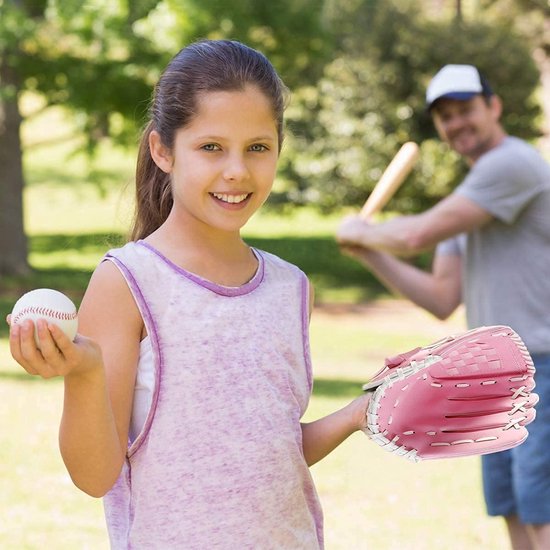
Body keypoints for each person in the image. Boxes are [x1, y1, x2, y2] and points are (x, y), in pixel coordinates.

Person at [8, 40, 371, 549]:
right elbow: (95, 475)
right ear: (163, 150)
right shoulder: (128, 282)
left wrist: (357, 414)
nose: (237, 172)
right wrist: (84, 373)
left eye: (258, 148)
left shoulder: (291, 289)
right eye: (211, 147)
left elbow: (264, 451)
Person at [337, 63, 550, 550]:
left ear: (493, 107)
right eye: (445, 116)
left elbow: (415, 234)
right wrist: (368, 250)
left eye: (466, 109)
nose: (457, 123)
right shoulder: (471, 196)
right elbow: (439, 298)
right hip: (498, 374)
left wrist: (364, 231)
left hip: (543, 364)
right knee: (512, 506)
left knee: (541, 508)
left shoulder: (511, 165)